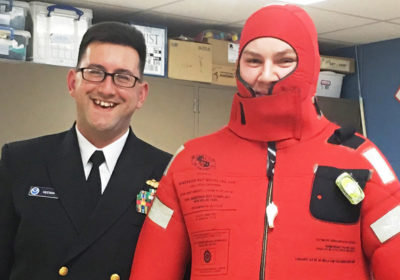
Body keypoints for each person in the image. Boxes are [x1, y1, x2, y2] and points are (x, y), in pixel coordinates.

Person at [130, 5, 400, 280]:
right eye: (253, 61)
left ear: (310, 66)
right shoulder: (190, 162)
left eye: (284, 61)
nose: (266, 76)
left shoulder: (361, 160)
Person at [0, 22, 171, 280]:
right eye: (95, 72)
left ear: (141, 95)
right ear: (72, 82)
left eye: (123, 77)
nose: (106, 89)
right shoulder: (21, 162)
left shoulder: (167, 173)